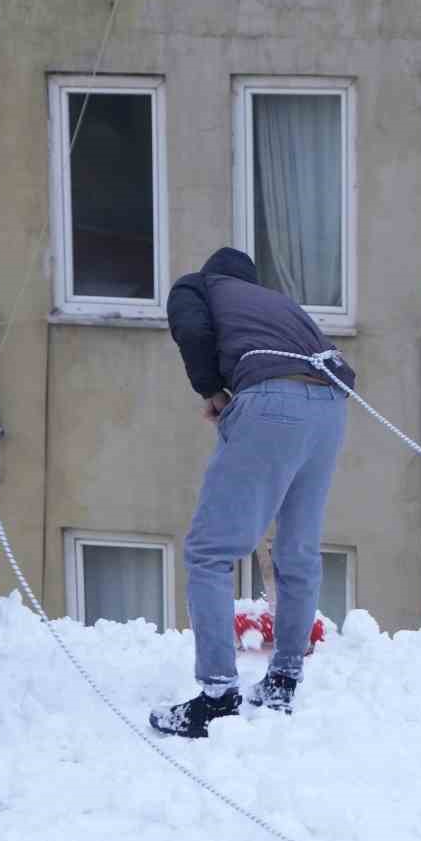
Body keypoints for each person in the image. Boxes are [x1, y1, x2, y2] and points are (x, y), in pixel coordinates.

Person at [150, 247, 355, 738]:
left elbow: (192, 330)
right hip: (331, 405)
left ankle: (217, 696)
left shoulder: (199, 287)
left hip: (271, 400)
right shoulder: (278, 305)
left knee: (209, 552)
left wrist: (212, 392)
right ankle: (283, 679)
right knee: (297, 548)